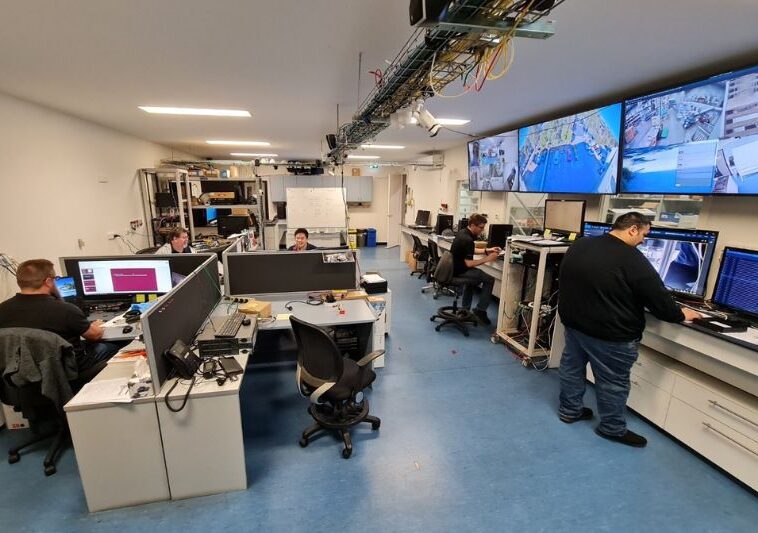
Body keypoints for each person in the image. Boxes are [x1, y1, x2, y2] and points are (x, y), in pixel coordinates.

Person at [557, 212, 701, 448]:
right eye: (645, 234)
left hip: (575, 326)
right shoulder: (632, 259)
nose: (644, 240)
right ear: (633, 229)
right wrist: (681, 313)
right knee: (613, 383)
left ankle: (569, 411)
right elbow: (660, 302)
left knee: (571, 370)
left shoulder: (581, 244)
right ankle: (611, 429)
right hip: (611, 336)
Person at [0, 259, 124, 372]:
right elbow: (94, 335)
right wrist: (96, 325)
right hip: (69, 368)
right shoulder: (65, 309)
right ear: (48, 282)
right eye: (55, 279)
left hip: (22, 372)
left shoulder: (2, 309)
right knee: (113, 346)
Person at [449, 213, 501, 325]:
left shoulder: (463, 232)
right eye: (480, 228)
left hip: (454, 268)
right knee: (489, 279)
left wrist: (487, 250)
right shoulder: (467, 239)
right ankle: (480, 311)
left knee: (473, 280)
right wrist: (488, 258)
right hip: (460, 271)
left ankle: (465, 309)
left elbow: (470, 250)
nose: (482, 231)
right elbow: (468, 264)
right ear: (473, 225)